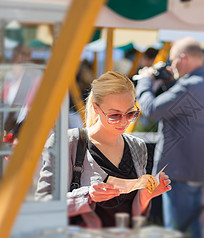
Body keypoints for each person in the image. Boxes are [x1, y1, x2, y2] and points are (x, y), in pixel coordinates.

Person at [36, 71, 171, 228]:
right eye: (115, 115)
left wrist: (146, 196)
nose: (124, 121)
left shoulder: (137, 146)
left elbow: (134, 214)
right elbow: (43, 204)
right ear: (96, 108)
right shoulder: (68, 142)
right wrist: (87, 196)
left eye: (131, 113)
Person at [135, 37, 204, 238]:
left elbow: (151, 109)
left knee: (177, 235)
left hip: (179, 171)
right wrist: (169, 83)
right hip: (193, 169)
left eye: (173, 61)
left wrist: (145, 80)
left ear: (183, 58)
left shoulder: (190, 86)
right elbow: (183, 111)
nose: (172, 67)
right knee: (191, 231)